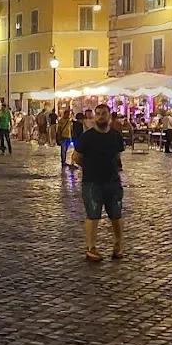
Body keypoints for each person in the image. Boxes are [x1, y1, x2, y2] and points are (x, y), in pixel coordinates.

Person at [71, 103, 125, 262]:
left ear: (109, 116)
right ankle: (91, 247)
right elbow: (76, 157)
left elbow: (117, 156)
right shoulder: (87, 137)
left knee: (116, 215)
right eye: (98, 113)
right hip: (92, 182)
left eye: (104, 113)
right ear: (95, 117)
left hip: (112, 181)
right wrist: (90, 167)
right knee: (93, 215)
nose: (101, 116)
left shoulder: (115, 136)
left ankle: (118, 245)